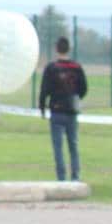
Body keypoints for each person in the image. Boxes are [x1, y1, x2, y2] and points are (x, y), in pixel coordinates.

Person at [37, 36, 87, 181]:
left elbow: (44, 90)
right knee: (73, 145)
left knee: (58, 147)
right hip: (72, 110)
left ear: (56, 49)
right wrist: (75, 97)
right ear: (69, 49)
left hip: (57, 110)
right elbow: (84, 88)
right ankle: (75, 177)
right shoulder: (76, 67)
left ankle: (61, 178)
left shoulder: (51, 68)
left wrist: (42, 107)